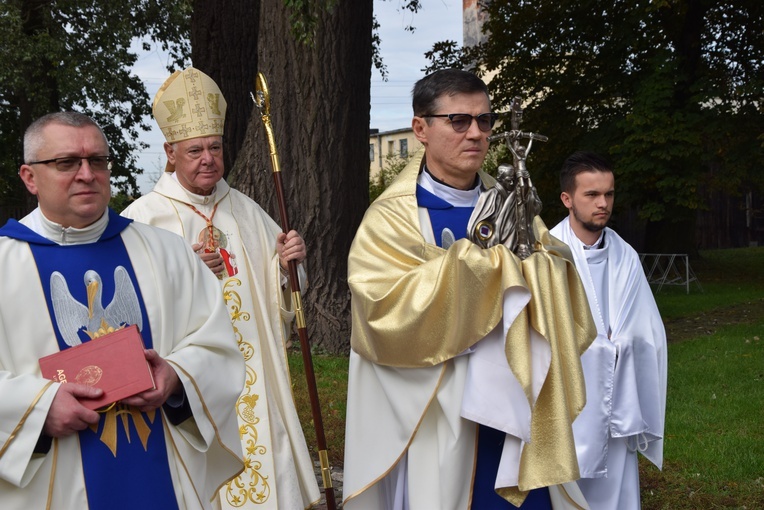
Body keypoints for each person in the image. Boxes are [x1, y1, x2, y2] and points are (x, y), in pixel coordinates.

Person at [343, 68, 596, 510]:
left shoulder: (511, 203)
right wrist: (490, 270)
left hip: (515, 409)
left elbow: (555, 267)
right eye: (459, 121)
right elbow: (383, 314)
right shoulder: (391, 219)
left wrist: (541, 272)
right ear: (421, 128)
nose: (476, 133)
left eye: (485, 120)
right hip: (439, 416)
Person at [0, 112, 245, 509]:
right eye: (66, 163)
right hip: (56, 481)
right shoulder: (4, 263)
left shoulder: (167, 252)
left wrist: (177, 376)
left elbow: (216, 344)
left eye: (97, 161)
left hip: (159, 466)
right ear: (30, 177)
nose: (87, 174)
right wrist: (36, 407)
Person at [121, 66, 320, 510]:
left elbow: (284, 296)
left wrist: (289, 268)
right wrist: (183, 272)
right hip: (190, 386)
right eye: (195, 150)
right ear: (170, 153)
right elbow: (131, 310)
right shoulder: (142, 219)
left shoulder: (246, 210)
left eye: (214, 147)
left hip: (255, 378)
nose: (207, 158)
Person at [550, 151, 667, 509]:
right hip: (567, 402)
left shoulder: (625, 254)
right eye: (592, 195)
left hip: (618, 394)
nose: (603, 204)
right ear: (567, 199)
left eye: (609, 194)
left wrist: (621, 345)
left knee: (616, 488)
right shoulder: (547, 254)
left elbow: (649, 328)